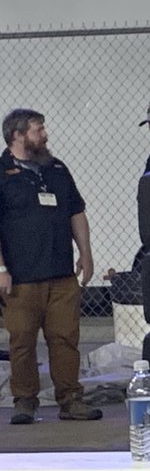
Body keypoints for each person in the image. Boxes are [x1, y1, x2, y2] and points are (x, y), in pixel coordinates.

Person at [0, 109, 103, 423]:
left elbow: (76, 211)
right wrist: (0, 269)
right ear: (17, 135)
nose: (44, 134)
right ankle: (25, 402)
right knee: (22, 341)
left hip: (61, 274)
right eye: (37, 129)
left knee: (65, 338)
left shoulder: (56, 169)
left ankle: (71, 400)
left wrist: (85, 253)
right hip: (21, 277)